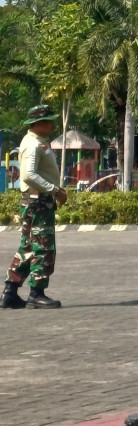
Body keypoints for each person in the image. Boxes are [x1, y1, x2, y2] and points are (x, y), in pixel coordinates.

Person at [3, 105, 67, 310]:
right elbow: (29, 174)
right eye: (48, 121)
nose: (52, 125)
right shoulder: (33, 145)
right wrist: (54, 190)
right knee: (43, 246)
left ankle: (10, 291)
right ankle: (36, 293)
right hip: (38, 201)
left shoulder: (37, 141)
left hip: (35, 199)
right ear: (37, 124)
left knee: (28, 247)